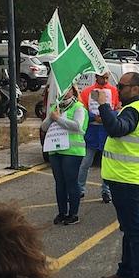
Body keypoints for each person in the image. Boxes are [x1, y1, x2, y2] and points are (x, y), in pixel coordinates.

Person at [96, 72, 139, 278]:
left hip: (129, 178)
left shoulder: (134, 110)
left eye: (121, 86)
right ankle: (126, 271)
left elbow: (117, 129)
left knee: (135, 230)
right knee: (128, 228)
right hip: (128, 177)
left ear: (135, 89)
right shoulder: (138, 109)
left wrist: (104, 106)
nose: (117, 89)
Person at [42, 86, 88, 226]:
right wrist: (51, 117)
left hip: (72, 151)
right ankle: (62, 212)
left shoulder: (78, 107)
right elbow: (44, 127)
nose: (64, 92)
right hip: (56, 150)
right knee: (59, 183)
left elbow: (77, 126)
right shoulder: (55, 107)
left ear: (73, 91)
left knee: (71, 182)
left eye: (68, 89)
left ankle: (73, 214)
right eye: (62, 89)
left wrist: (58, 119)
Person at [78, 71, 119, 204]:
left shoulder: (114, 91)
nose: (106, 80)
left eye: (107, 78)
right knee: (86, 162)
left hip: (106, 131)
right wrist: (93, 117)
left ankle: (106, 191)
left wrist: (108, 116)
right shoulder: (86, 92)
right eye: (103, 78)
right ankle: (80, 189)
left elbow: (118, 109)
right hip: (92, 131)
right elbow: (82, 109)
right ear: (96, 77)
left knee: (106, 164)